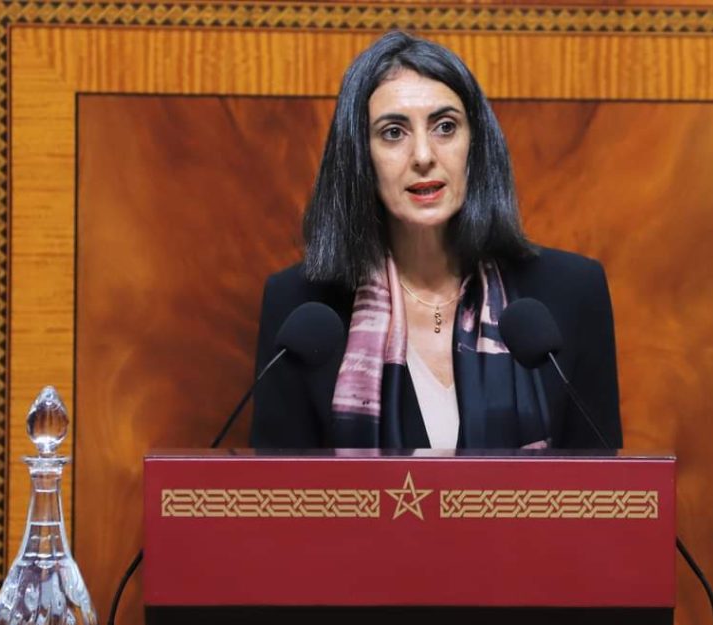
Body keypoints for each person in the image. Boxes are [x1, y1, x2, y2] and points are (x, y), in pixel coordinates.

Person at [250, 31, 621, 450]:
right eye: (393, 132)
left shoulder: (571, 292)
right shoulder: (300, 308)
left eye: (445, 127)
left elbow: (604, 481)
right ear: (360, 157)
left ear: (475, 145)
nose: (424, 156)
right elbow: (276, 484)